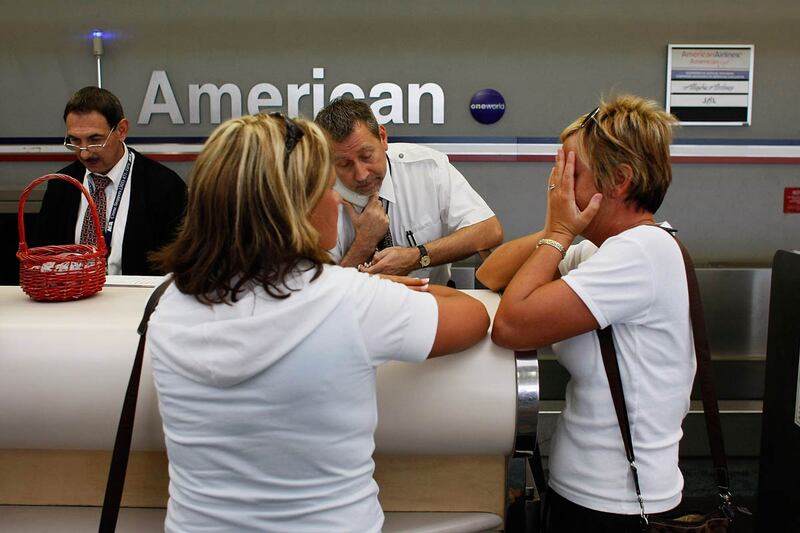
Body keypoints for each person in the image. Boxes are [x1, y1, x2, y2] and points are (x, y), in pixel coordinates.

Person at [146, 113, 490, 532]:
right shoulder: (347, 299)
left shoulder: (166, 300)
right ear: (291, 209)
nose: (338, 200)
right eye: (328, 188)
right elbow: (472, 317)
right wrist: (388, 288)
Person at [477, 95, 692, 532]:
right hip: (588, 491)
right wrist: (560, 225)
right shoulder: (603, 251)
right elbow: (491, 274)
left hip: (617, 505)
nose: (556, 185)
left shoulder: (640, 253)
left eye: (570, 172)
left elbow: (512, 326)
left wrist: (560, 229)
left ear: (619, 180)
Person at [315, 97, 503, 286]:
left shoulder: (427, 168)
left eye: (366, 156)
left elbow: (489, 230)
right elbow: (318, 296)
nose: (361, 174)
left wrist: (417, 256)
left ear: (382, 137)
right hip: (352, 311)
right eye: (344, 164)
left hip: (433, 302)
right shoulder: (315, 196)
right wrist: (363, 244)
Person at [34, 86, 186, 275]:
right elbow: (42, 259)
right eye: (75, 141)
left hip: (136, 300)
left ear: (121, 130)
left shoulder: (165, 187)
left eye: (95, 139)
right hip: (71, 298)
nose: (84, 152)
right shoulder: (62, 186)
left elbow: (176, 264)